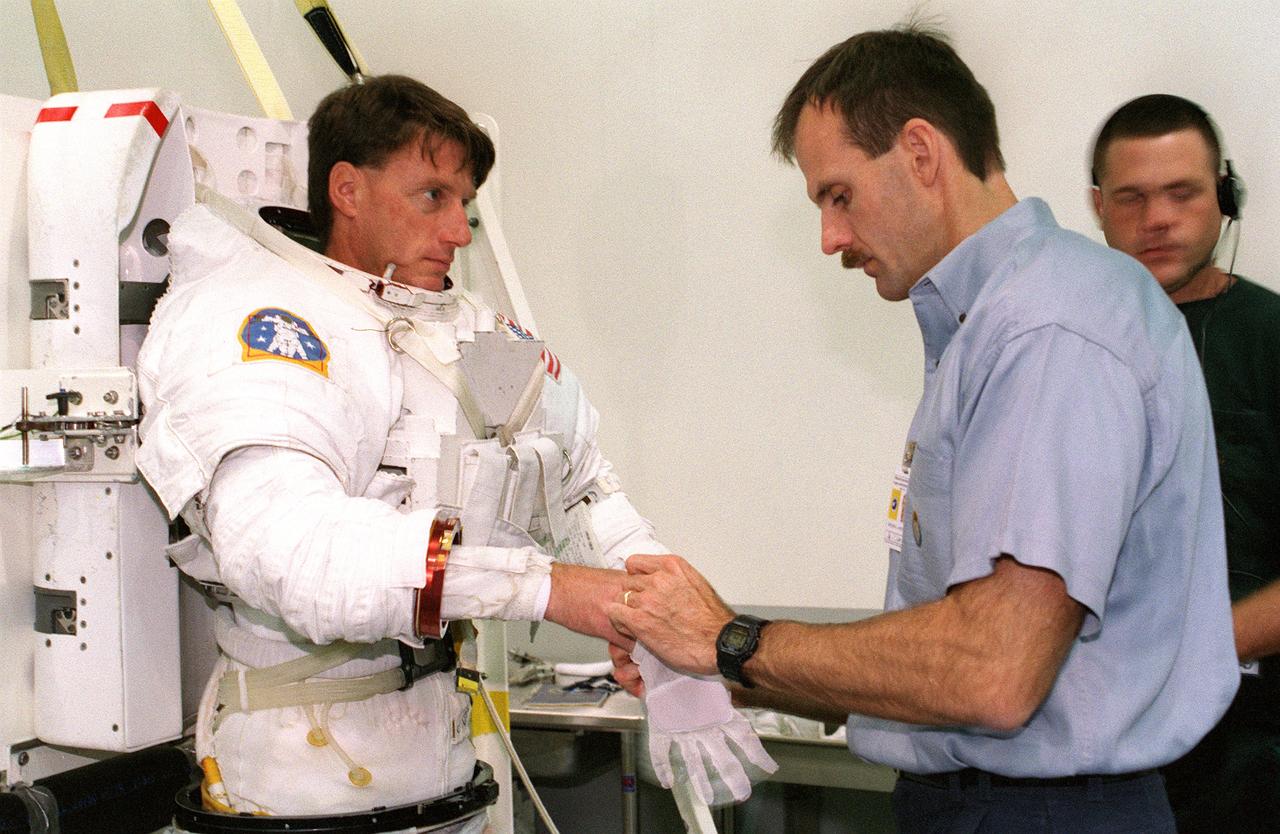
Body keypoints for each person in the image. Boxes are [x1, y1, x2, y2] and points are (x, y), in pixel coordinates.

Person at [609, 25, 1239, 833]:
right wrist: (710, 657)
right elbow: (957, 650)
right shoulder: (994, 328)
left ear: (920, 152)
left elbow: (992, 671)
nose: (832, 238)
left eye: (839, 196)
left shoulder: (1048, 330)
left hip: (1042, 814)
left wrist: (731, 642)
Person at [136, 75, 771, 829]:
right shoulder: (262, 323)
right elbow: (292, 553)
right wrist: (550, 589)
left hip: (443, 776)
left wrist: (659, 619)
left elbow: (581, 486)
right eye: (431, 196)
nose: (461, 231)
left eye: (463, 204)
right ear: (347, 190)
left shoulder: (464, 335)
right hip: (295, 790)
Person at [1091, 93, 1280, 833]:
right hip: (1097, 749)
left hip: (1248, 753)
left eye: (1183, 193)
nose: (1158, 218)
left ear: (1224, 199)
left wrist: (1196, 649)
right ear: (1098, 208)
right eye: (1132, 198)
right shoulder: (1070, 345)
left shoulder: (1268, 338)